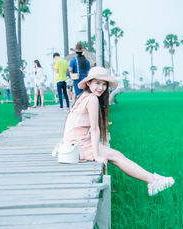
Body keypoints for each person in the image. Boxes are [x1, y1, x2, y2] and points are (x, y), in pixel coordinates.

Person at [62, 67, 175, 196]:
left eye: (104, 84)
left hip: (74, 143)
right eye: (97, 83)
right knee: (117, 156)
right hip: (78, 145)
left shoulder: (83, 96)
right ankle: (152, 181)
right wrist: (97, 154)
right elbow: (94, 129)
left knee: (117, 155)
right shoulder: (92, 99)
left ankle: (153, 179)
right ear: (88, 83)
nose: (101, 87)